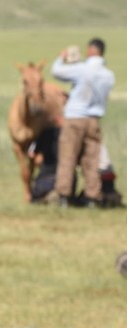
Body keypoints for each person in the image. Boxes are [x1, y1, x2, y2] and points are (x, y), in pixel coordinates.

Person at [49, 38, 116, 208]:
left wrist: (61, 58)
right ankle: (92, 197)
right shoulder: (109, 75)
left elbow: (57, 72)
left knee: (67, 157)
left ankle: (64, 195)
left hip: (75, 119)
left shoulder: (82, 69)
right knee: (92, 160)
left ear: (92, 50)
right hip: (94, 121)